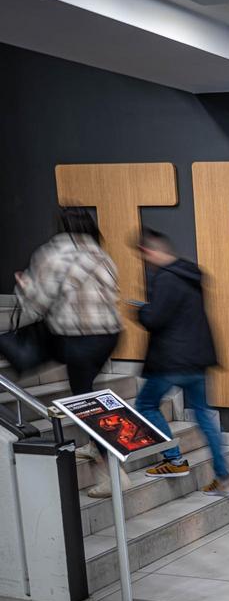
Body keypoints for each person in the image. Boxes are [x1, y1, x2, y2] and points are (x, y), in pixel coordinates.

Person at [11, 207, 124, 497]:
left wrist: (25, 286)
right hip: (109, 336)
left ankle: (113, 473)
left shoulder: (55, 252)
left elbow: (39, 302)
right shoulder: (101, 254)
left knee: (84, 400)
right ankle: (93, 443)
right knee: (85, 391)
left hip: (79, 338)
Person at [131, 228, 229, 497]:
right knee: (204, 416)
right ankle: (224, 478)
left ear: (149, 251)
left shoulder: (165, 279)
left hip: (170, 360)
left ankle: (174, 459)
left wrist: (141, 309)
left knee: (145, 405)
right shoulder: (190, 274)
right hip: (198, 359)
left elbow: (154, 320)